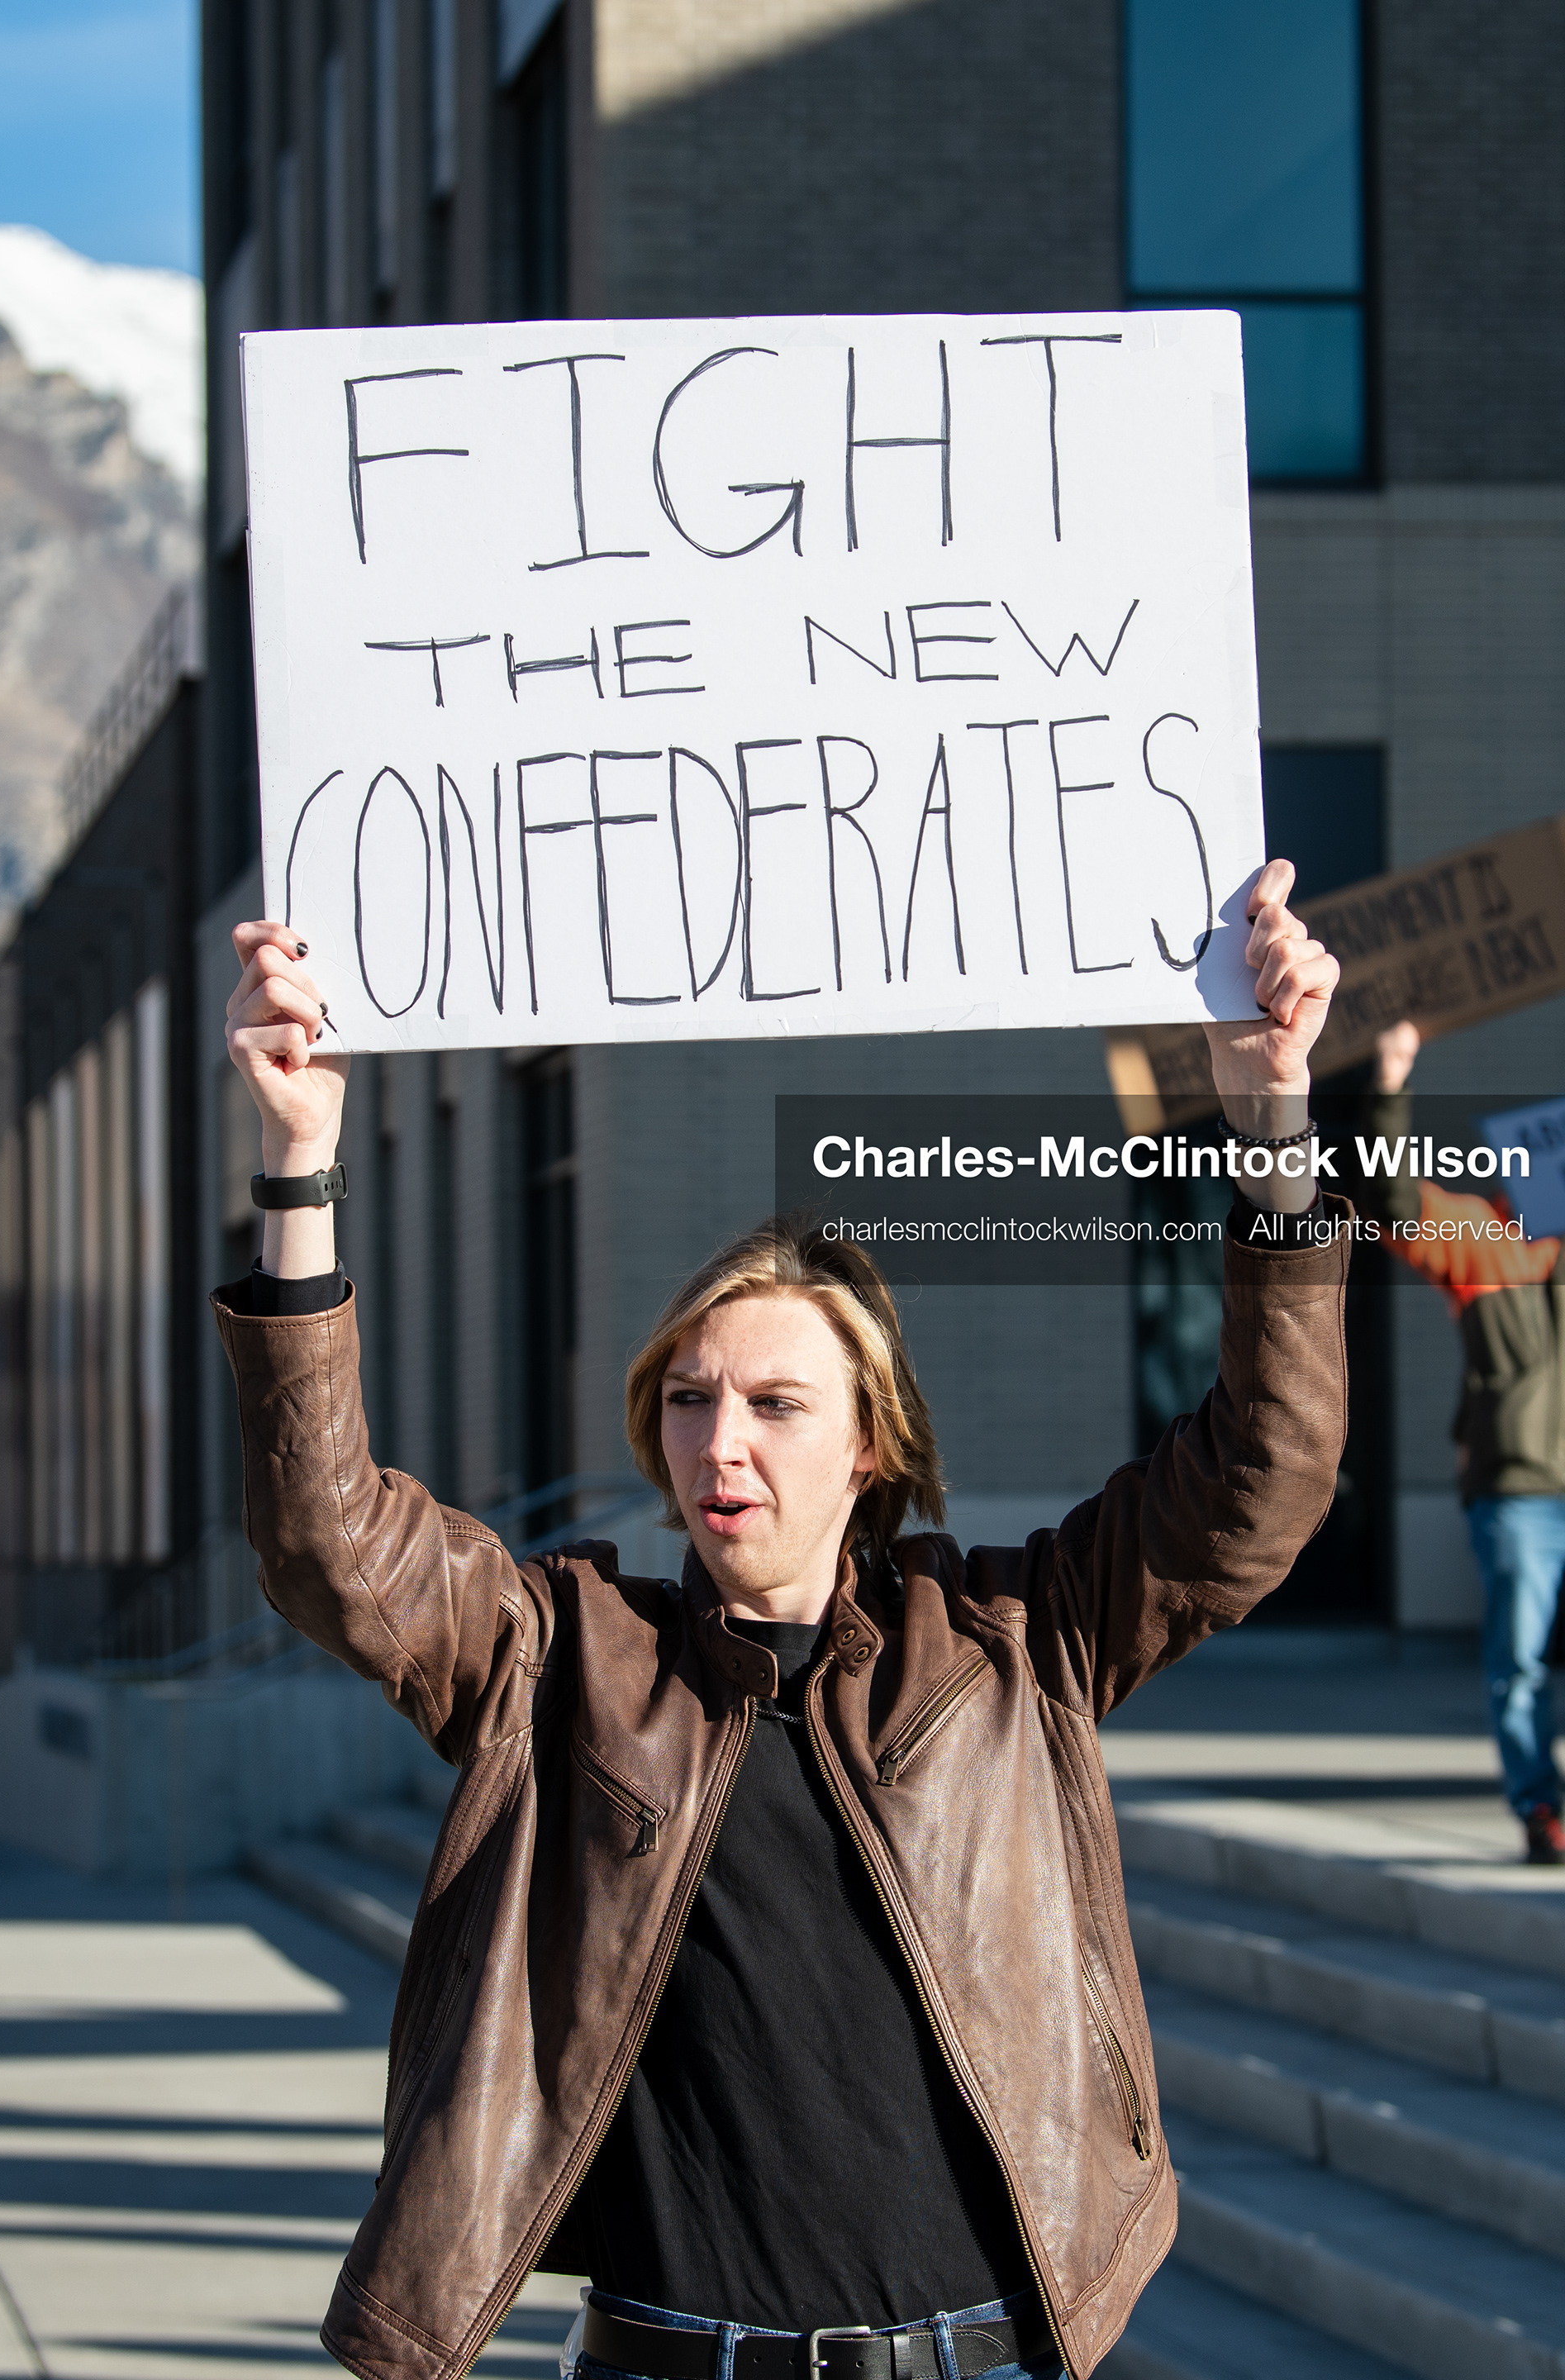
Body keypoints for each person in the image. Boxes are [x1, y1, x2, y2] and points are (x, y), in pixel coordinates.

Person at [216, 859, 1346, 2380]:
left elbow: (1263, 1475)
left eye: (771, 1404)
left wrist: (1272, 1127)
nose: (717, 1443)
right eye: (687, 1402)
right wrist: (299, 1168)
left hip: (976, 2359)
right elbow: (324, 1539)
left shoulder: (1019, 1635)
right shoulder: (563, 1659)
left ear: (867, 1439)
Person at [1367, 1021, 1565, 1865]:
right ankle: (1541, 1810)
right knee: (1520, 1663)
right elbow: (1393, 1205)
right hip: (1520, 1489)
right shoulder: (1491, 1241)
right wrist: (1391, 1081)